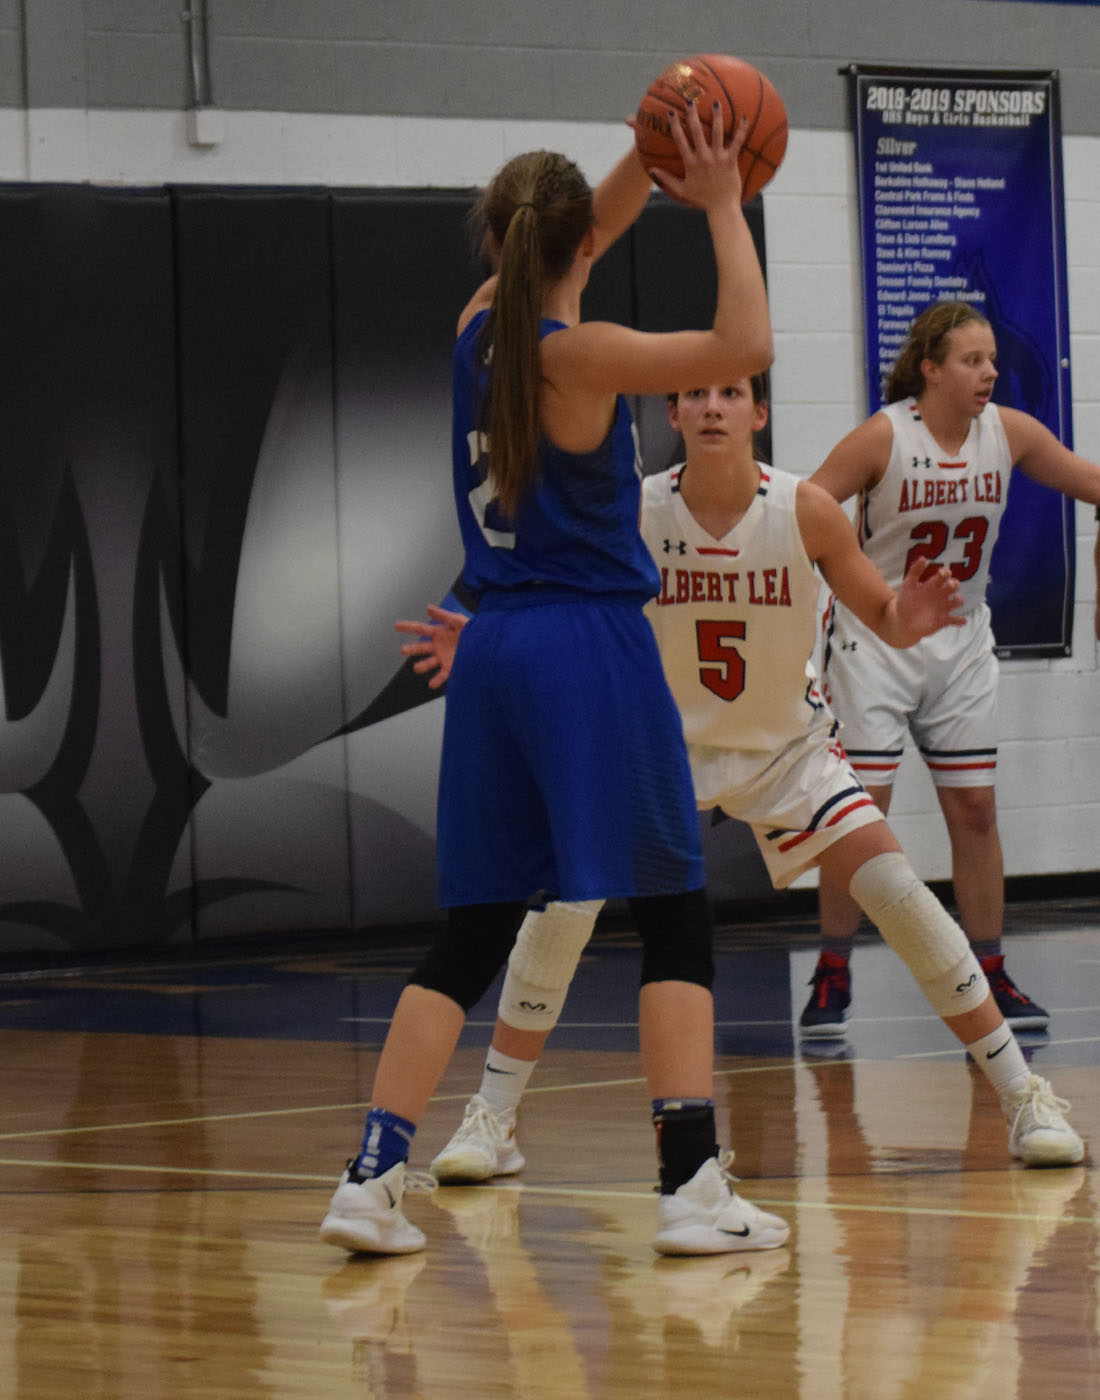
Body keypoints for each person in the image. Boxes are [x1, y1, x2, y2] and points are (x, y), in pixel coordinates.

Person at [415, 373, 1085, 1186]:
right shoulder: (632, 512)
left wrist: (908, 615)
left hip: (786, 752)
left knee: (899, 891)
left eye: (729, 393)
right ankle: (493, 1119)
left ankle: (1025, 1096)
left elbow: (880, 615)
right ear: (671, 415)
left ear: (759, 413)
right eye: (693, 395)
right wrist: (483, 640)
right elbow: (549, 596)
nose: (710, 407)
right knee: (563, 907)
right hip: (657, 747)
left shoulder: (803, 510)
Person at [320, 101, 789, 1259]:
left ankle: (372, 1176)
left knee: (476, 925)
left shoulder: (476, 329)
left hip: (494, 651)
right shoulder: (579, 356)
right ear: (584, 243)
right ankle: (688, 1185)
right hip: (586, 643)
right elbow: (742, 346)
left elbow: (577, 230)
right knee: (672, 905)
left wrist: (651, 145)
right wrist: (722, 200)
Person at [803, 300, 1100, 1039]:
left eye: (993, 358)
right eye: (972, 360)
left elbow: (1087, 479)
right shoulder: (884, 436)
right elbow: (804, 508)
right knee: (856, 816)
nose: (990, 371)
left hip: (962, 640)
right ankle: (833, 966)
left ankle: (990, 970)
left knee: (975, 810)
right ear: (930, 368)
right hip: (877, 640)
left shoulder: (1011, 433)